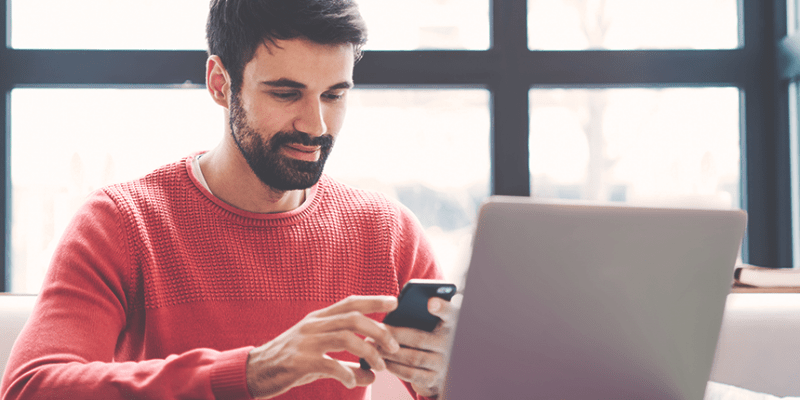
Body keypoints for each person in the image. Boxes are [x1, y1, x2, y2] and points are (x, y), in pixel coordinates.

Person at [0, 0, 458, 399]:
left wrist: (448, 380)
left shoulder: (386, 232)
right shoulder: (121, 224)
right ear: (220, 83)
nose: (316, 124)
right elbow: (31, 388)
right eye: (285, 93)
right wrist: (253, 371)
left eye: (334, 95)